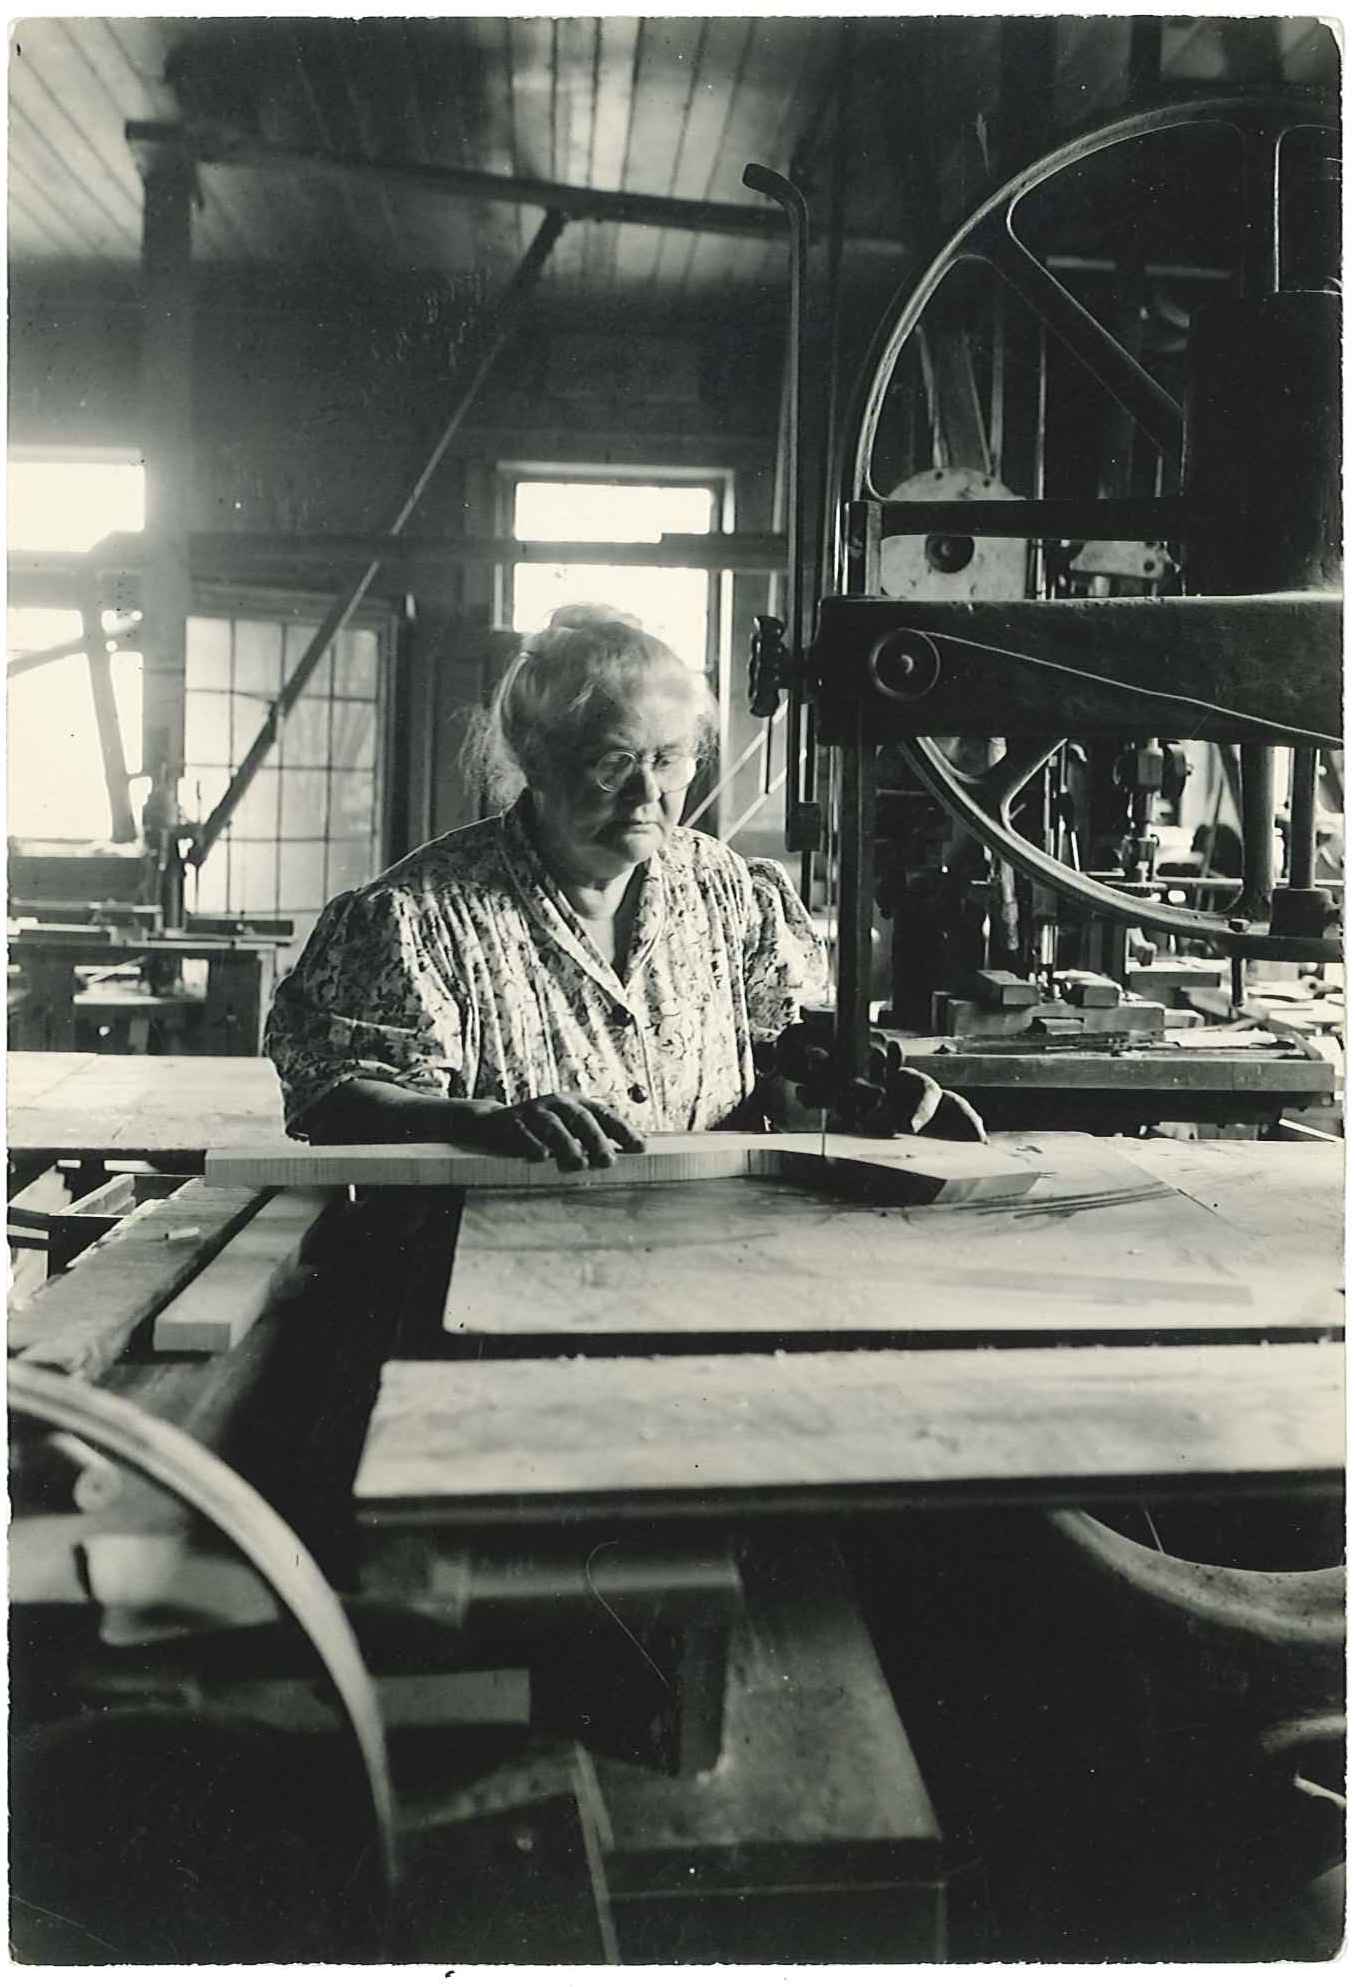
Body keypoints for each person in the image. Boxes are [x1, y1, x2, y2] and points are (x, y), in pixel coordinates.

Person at [265, 604, 983, 1169]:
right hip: (488, 1260)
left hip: (704, 1248)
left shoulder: (726, 891)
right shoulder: (418, 918)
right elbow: (334, 1097)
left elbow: (779, 1072)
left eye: (668, 760)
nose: (647, 794)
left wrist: (858, 1097)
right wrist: (478, 1123)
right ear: (537, 761)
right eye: (613, 763)